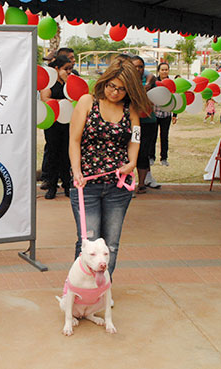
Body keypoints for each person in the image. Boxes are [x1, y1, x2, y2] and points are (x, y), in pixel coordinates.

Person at [69, 57, 150, 278]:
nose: (115, 92)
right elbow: (74, 140)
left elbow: (135, 138)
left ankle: (103, 288)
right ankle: (80, 287)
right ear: (104, 81)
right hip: (87, 185)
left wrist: (132, 162)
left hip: (118, 187)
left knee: (111, 244)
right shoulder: (87, 102)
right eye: (111, 86)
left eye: (122, 89)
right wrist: (77, 171)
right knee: (88, 242)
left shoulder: (129, 109)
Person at [40, 55, 73, 199]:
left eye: (71, 69)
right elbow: (45, 99)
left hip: (67, 124)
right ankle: (52, 186)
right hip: (52, 123)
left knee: (66, 155)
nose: (69, 72)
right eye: (66, 69)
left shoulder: (71, 83)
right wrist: (62, 102)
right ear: (57, 69)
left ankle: (67, 185)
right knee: (53, 154)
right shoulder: (49, 83)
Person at [131, 56, 160, 194]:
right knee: (129, 153)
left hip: (147, 123)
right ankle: (127, 184)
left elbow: (154, 101)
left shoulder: (150, 82)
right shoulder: (126, 82)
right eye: (135, 66)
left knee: (143, 153)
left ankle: (141, 184)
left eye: (141, 66)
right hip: (131, 124)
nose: (138, 69)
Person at [151, 62, 177, 167]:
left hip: (166, 114)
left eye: (166, 69)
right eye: (162, 69)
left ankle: (164, 158)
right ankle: (151, 157)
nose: (164, 71)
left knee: (164, 136)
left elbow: (176, 99)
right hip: (154, 113)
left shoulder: (172, 83)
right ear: (158, 71)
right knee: (153, 136)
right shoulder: (154, 82)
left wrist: (175, 114)